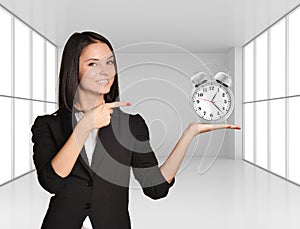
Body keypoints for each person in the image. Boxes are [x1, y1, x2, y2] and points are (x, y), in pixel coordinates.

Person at [31, 31, 241, 229]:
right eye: (93, 64)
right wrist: (85, 126)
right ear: (73, 69)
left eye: (109, 62)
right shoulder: (47, 125)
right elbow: (52, 182)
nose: (105, 71)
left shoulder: (132, 125)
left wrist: (190, 134)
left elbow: (155, 188)